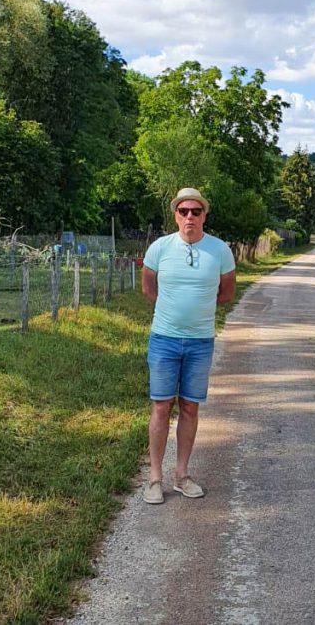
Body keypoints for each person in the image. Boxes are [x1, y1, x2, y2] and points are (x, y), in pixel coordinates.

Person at [140, 187, 236, 504]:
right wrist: (173, 312)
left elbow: (226, 294)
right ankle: (155, 479)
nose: (190, 217)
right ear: (175, 215)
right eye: (184, 211)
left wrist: (197, 313)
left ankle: (181, 474)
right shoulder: (159, 248)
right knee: (161, 406)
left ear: (205, 215)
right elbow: (148, 288)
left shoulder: (220, 250)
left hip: (200, 341)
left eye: (196, 211)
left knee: (190, 407)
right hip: (164, 339)